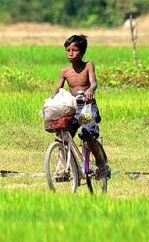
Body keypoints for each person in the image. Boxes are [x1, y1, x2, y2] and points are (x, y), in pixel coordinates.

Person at [52, 34, 107, 178]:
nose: (70, 53)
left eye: (74, 50)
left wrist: (90, 91)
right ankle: (65, 168)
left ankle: (101, 163)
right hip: (73, 108)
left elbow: (93, 83)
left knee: (88, 133)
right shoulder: (65, 71)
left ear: (82, 52)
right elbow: (58, 88)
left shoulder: (88, 65)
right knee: (62, 136)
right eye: (67, 50)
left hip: (87, 107)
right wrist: (52, 100)